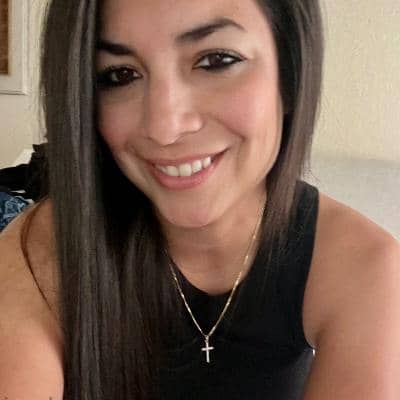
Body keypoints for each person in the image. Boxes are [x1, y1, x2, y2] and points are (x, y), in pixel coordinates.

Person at [0, 0, 399, 399]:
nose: (165, 128)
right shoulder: (41, 251)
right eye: (120, 75)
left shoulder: (362, 266)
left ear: (290, 74)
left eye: (216, 60)